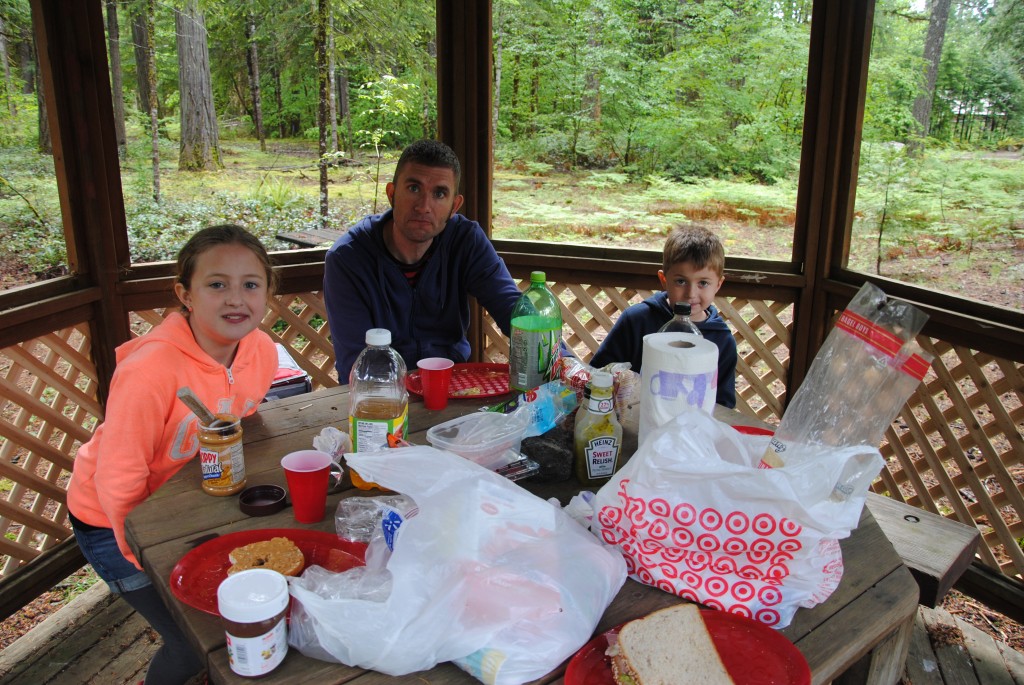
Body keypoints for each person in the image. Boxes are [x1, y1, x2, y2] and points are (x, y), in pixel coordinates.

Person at [66, 224, 279, 685]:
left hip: (182, 501)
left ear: (267, 292)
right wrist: (149, 555)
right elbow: (119, 476)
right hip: (112, 521)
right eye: (217, 284)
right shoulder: (150, 371)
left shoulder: (260, 350)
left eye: (250, 284)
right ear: (185, 293)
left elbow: (244, 416)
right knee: (191, 638)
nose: (235, 299)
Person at [323, 139, 522, 383]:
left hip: (453, 389)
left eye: (439, 193)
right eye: (414, 188)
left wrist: (566, 364)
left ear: (454, 206)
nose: (423, 206)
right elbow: (355, 364)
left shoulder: (465, 241)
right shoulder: (348, 258)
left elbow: (515, 311)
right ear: (392, 193)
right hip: (385, 398)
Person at [590, 224, 738, 408]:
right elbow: (599, 375)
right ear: (664, 280)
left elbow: (723, 406)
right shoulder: (636, 321)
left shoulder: (721, 341)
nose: (690, 293)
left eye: (703, 283)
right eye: (681, 281)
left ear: (718, 284)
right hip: (631, 423)